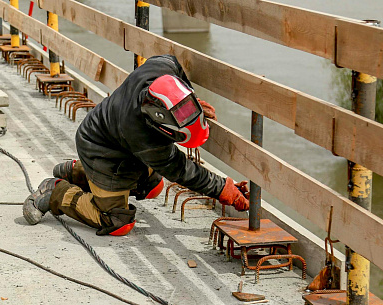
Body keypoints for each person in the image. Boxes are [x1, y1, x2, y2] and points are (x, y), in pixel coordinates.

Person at [23, 54, 249, 236]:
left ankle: (80, 172)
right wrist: (221, 188)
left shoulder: (163, 66)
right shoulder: (141, 134)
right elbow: (180, 169)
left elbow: (173, 65)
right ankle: (56, 191)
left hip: (118, 141)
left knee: (152, 188)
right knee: (118, 222)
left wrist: (189, 101)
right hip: (100, 150)